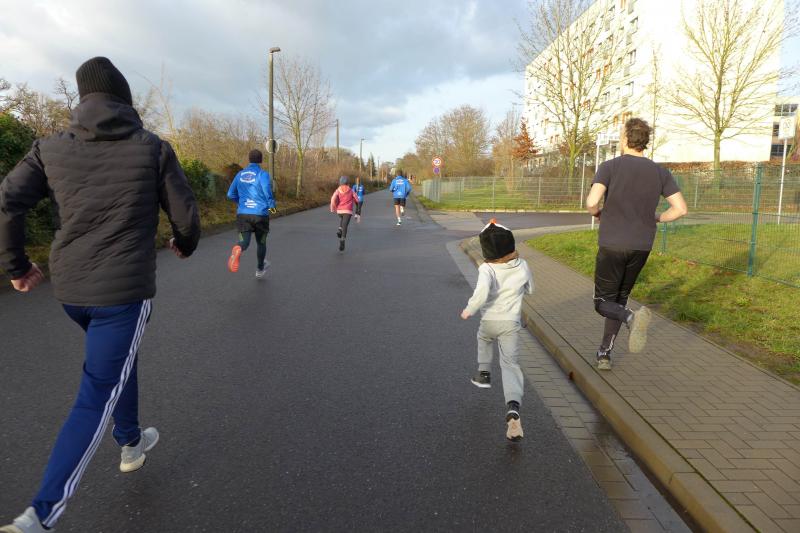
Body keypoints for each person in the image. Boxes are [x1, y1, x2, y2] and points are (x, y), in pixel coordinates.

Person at [0, 57, 200, 533]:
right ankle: (41, 514)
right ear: (124, 98)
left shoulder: (49, 147)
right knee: (95, 395)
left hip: (71, 290)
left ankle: (130, 443)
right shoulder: (152, 148)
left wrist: (17, 266)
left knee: (117, 364)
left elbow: (7, 200)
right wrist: (185, 243)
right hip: (123, 291)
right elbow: (185, 213)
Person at [585, 118, 688, 370]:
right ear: (645, 141)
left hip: (613, 242)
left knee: (602, 302)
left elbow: (591, 201)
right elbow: (681, 209)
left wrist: (598, 213)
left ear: (625, 138)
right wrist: (657, 217)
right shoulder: (660, 172)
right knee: (619, 299)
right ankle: (604, 354)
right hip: (641, 245)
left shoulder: (610, 166)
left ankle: (631, 318)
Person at [461, 220, 534, 442]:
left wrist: (469, 309)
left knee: (483, 338)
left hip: (490, 321)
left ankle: (484, 372)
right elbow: (531, 289)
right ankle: (513, 406)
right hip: (511, 324)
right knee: (510, 364)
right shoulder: (522, 265)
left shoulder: (487, 268)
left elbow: (481, 293)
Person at [226, 149, 276, 279]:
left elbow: (230, 194)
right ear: (261, 160)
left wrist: (240, 203)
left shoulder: (239, 174)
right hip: (260, 215)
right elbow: (267, 192)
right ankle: (259, 269)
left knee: (244, 242)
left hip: (243, 214)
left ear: (249, 159)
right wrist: (272, 207)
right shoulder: (262, 174)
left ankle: (238, 248)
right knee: (261, 243)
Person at [330, 176, 360, 251]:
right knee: (345, 225)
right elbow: (357, 200)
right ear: (347, 183)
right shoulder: (351, 190)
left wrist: (333, 207)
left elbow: (333, 198)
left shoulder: (338, 190)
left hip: (339, 211)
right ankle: (342, 240)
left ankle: (340, 229)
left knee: (343, 220)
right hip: (348, 211)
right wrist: (357, 209)